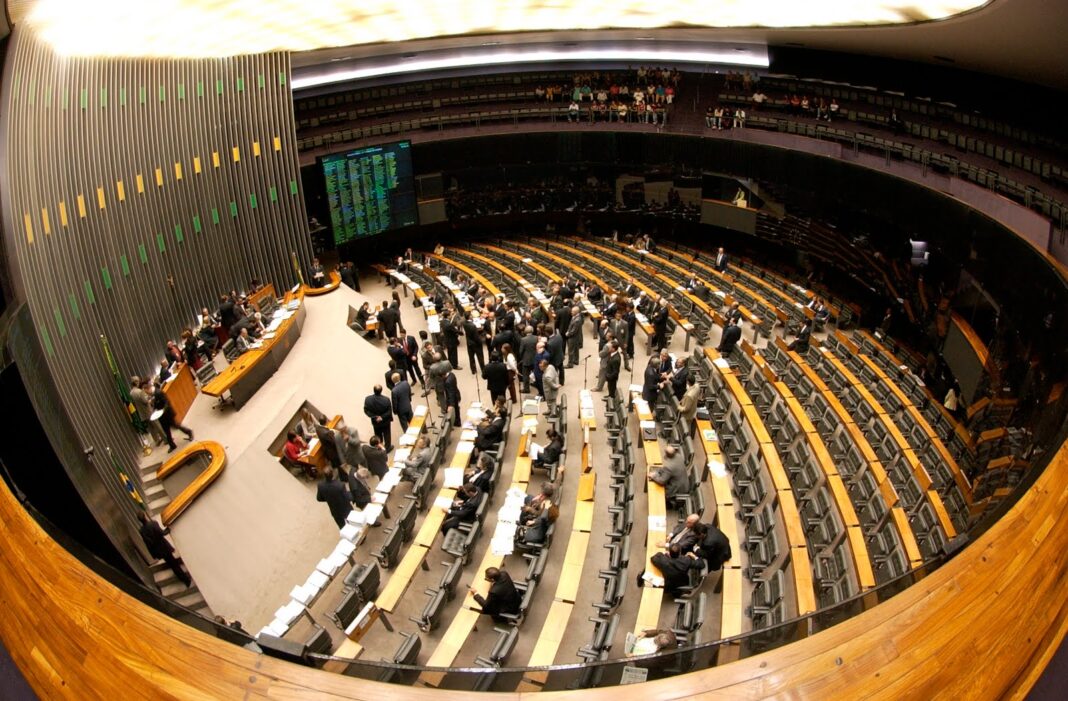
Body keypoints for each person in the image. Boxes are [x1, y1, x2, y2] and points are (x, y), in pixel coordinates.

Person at [137, 511, 191, 587]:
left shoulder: (142, 531)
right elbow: (162, 533)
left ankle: (184, 578)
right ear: (145, 516)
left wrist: (153, 555)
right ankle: (186, 579)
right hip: (164, 547)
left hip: (159, 550)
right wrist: (168, 529)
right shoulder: (153, 523)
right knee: (174, 565)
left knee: (172, 564)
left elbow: (148, 543)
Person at [149, 383, 193, 452]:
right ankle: (172, 445)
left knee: (176, 425)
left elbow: (167, 402)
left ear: (148, 388)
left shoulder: (159, 392)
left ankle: (189, 432)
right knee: (166, 431)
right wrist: (154, 410)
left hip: (168, 414)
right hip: (162, 416)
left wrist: (163, 410)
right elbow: (156, 405)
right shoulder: (152, 395)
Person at [130, 376, 166, 446]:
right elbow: (146, 401)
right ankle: (166, 438)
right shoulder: (140, 391)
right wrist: (151, 398)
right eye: (138, 381)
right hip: (148, 411)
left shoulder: (131, 393)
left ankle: (157, 440)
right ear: (136, 382)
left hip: (142, 413)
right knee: (157, 425)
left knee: (151, 428)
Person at [364, 385, 394, 451]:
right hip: (385, 421)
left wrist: (375, 417)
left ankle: (379, 446)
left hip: (375, 422)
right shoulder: (386, 400)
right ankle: (388, 447)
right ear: (381, 391)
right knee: (387, 434)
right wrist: (381, 417)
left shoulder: (368, 399)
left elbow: (366, 411)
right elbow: (389, 412)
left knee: (378, 434)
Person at [518, 326, 538, 394]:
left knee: (525, 375)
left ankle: (526, 389)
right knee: (536, 373)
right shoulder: (536, 338)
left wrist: (522, 357)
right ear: (532, 330)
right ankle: (537, 384)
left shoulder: (523, 339)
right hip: (535, 359)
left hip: (526, 360)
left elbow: (521, 351)